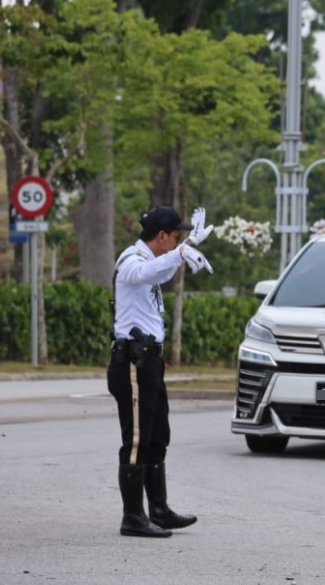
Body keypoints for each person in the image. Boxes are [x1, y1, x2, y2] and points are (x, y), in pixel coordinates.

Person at [108, 206, 214, 538]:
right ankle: (133, 517)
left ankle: (158, 510)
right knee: (137, 440)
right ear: (162, 236)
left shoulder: (153, 262)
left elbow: (160, 273)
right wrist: (182, 252)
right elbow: (142, 274)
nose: (180, 240)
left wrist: (186, 249)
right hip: (132, 362)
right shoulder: (130, 259)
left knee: (157, 436)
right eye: (177, 236)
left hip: (150, 361)